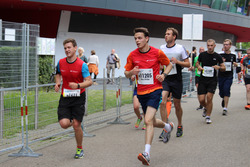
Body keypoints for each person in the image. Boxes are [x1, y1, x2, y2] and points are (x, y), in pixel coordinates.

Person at [124, 27, 173, 166]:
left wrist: (163, 75)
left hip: (155, 90)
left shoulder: (157, 52)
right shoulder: (132, 55)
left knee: (147, 120)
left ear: (147, 38)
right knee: (150, 120)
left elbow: (168, 65)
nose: (137, 41)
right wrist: (132, 72)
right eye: (135, 38)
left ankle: (147, 153)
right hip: (141, 92)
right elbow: (126, 73)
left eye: (139, 38)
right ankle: (167, 126)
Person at [54, 38, 92, 159]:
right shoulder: (60, 62)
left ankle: (79, 148)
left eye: (69, 47)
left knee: (76, 125)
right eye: (65, 48)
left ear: (75, 48)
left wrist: (78, 85)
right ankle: (73, 120)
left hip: (78, 96)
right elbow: (58, 73)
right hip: (65, 96)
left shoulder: (82, 65)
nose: (67, 50)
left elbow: (89, 82)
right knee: (64, 124)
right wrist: (57, 83)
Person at [159, 27, 190, 138]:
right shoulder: (161, 48)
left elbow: (188, 64)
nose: (166, 35)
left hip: (177, 79)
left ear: (174, 36)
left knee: (177, 105)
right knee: (162, 102)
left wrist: (177, 62)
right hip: (165, 78)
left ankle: (180, 125)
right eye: (165, 33)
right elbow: (159, 63)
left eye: (168, 34)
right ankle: (165, 127)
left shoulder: (180, 48)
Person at [196, 39, 225, 124]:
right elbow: (197, 63)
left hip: (212, 80)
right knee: (201, 100)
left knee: (209, 97)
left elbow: (224, 68)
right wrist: (199, 67)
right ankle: (206, 107)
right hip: (202, 79)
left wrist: (219, 67)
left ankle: (208, 116)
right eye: (208, 45)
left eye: (211, 45)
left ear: (214, 46)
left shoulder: (218, 56)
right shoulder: (202, 55)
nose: (210, 47)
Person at [218, 39, 237, 116]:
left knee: (226, 89)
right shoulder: (220, 55)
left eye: (227, 44)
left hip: (229, 76)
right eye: (224, 44)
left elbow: (235, 64)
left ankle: (225, 108)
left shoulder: (233, 55)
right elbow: (216, 63)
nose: (225, 46)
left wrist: (235, 64)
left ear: (230, 46)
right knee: (221, 92)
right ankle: (223, 98)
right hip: (221, 75)